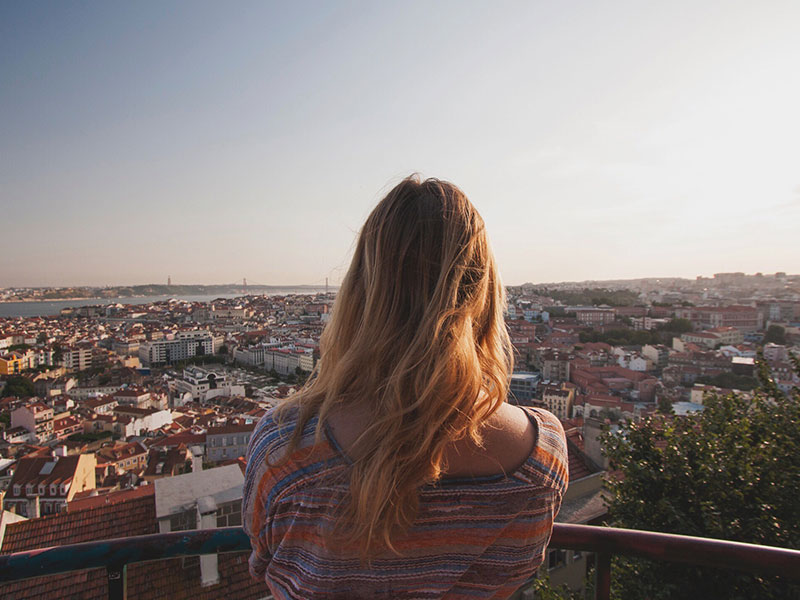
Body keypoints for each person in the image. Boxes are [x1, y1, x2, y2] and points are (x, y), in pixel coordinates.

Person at [243, 175, 568, 599]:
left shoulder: (285, 449)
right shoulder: (543, 455)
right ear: (483, 288)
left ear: (362, 289)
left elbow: (262, 564)